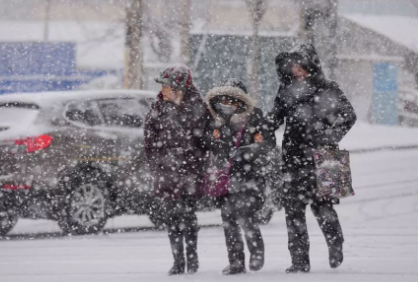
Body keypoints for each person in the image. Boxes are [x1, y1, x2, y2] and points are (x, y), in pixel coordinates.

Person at [266, 44, 357, 273]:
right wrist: (260, 128)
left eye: (300, 64)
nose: (296, 70)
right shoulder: (286, 90)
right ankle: (299, 261)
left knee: (324, 207)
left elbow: (349, 116)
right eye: (293, 65)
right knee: (293, 211)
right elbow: (274, 119)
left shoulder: (328, 88)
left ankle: (336, 243)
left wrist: (329, 136)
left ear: (311, 65)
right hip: (293, 157)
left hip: (325, 156)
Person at [144, 65, 209, 275]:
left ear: (179, 88)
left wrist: (196, 161)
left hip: (190, 171)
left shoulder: (198, 108)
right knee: (172, 217)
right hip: (167, 172)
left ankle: (192, 259)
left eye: (167, 86)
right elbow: (149, 139)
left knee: (188, 215)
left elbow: (206, 142)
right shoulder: (159, 108)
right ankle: (178, 261)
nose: (163, 89)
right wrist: (158, 164)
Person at [206, 79, 273, 275]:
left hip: (249, 177)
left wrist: (246, 152)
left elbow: (266, 144)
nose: (227, 103)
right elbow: (212, 143)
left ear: (242, 99)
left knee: (246, 217)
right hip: (226, 178)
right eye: (224, 99)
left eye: (232, 99)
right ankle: (236, 262)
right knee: (228, 221)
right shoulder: (219, 119)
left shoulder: (255, 117)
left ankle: (256, 252)